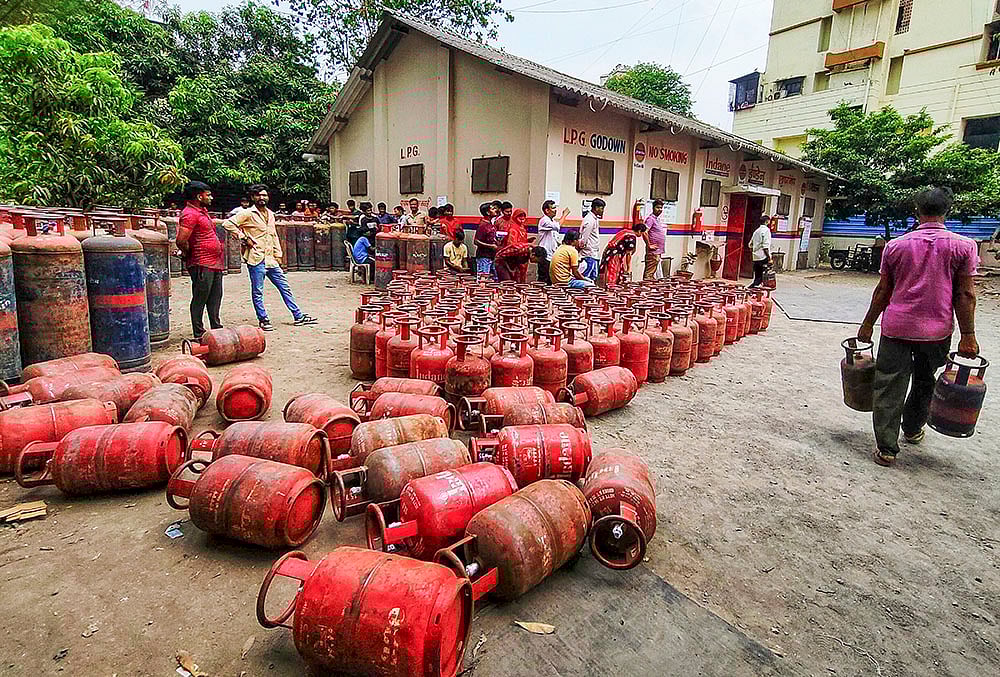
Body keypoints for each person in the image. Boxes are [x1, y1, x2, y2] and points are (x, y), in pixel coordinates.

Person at [858, 187, 979, 467]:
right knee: (926, 380)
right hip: (936, 332)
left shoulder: (896, 246)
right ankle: (912, 428)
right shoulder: (963, 246)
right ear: (948, 211)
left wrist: (867, 324)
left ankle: (887, 448)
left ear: (916, 211)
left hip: (897, 328)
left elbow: (883, 291)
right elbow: (965, 295)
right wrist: (968, 336)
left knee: (889, 384)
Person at [222, 184, 318, 331]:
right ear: (253, 197)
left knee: (285, 287)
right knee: (258, 291)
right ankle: (263, 319)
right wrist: (243, 237)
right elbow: (227, 224)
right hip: (256, 258)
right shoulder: (248, 213)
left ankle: (298, 316)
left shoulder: (271, 214)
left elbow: (273, 236)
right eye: (258, 195)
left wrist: (278, 255)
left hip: (271, 259)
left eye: (264, 195)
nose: (262, 198)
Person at [176, 181, 225, 339]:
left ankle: (216, 329)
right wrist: (189, 253)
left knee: (215, 297)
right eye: (208, 194)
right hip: (201, 263)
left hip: (214, 263)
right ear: (199, 196)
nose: (211, 197)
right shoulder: (189, 214)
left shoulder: (202, 211)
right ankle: (199, 332)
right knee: (200, 298)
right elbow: (181, 240)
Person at [495, 208, 533, 283]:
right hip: (512, 258)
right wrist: (527, 244)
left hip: (522, 258)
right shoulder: (513, 228)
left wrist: (527, 241)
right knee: (511, 282)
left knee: (521, 280)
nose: (522, 218)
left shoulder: (522, 228)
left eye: (523, 216)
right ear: (515, 217)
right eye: (520, 216)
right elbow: (512, 245)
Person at [579, 198, 604, 280]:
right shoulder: (589, 220)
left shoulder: (594, 219)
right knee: (587, 278)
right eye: (601, 208)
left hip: (593, 253)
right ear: (596, 208)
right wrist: (583, 247)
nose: (603, 211)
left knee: (593, 277)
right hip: (588, 254)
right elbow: (584, 238)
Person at [643, 199, 667, 281]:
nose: (659, 210)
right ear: (653, 208)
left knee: (652, 273)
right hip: (652, 251)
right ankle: (646, 289)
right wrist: (649, 244)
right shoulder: (650, 219)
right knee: (649, 273)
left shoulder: (657, 219)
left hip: (657, 251)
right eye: (657, 207)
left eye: (661, 208)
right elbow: (644, 232)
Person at [748, 215, 773, 288]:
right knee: (762, 278)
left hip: (756, 257)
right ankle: (750, 290)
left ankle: (752, 290)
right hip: (763, 257)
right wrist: (769, 258)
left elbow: (750, 244)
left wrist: (755, 250)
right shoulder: (766, 231)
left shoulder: (756, 231)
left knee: (757, 276)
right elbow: (765, 247)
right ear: (767, 221)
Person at [474, 202, 498, 277]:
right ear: (488, 212)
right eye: (493, 209)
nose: (495, 210)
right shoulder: (483, 225)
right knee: (483, 278)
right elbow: (476, 241)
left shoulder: (491, 224)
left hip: (492, 256)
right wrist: (491, 246)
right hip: (484, 257)